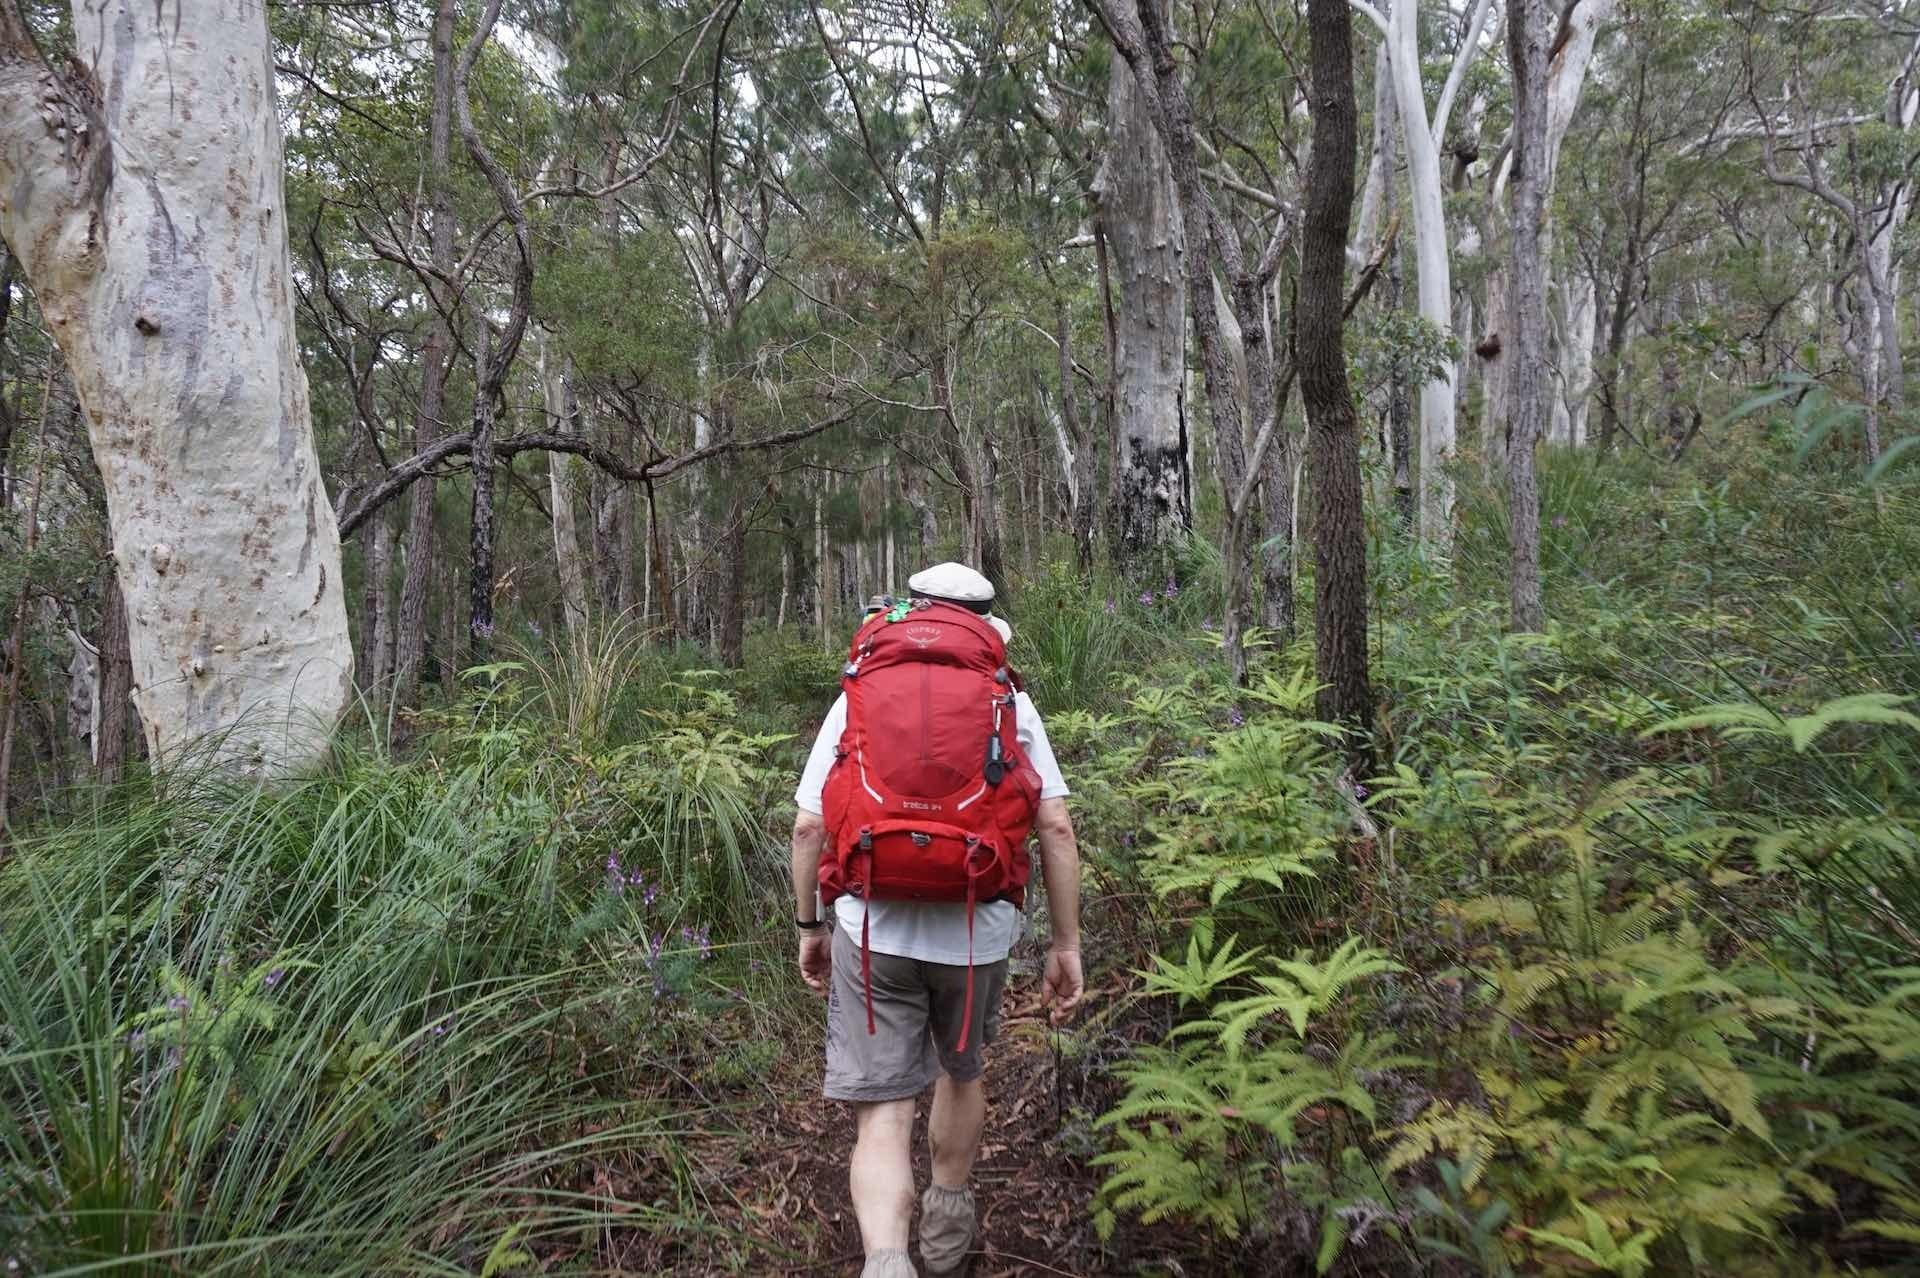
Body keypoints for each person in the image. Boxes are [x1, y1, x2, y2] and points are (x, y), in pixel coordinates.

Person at [790, 562, 1086, 1278]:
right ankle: (947, 1232)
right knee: (961, 1071)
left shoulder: (860, 688)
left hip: (871, 922)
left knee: (885, 1109)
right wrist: (1066, 943)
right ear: (987, 623)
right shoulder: (1006, 698)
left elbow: (807, 827)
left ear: (909, 611)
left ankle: (888, 1262)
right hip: (975, 926)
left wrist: (810, 926)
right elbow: (1056, 827)